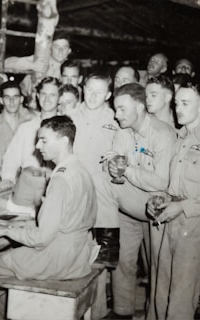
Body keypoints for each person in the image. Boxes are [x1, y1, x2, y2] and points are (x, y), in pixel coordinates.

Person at [0, 115, 99, 320]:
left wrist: (5, 230)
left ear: (64, 141)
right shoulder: (80, 170)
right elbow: (69, 219)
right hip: (78, 255)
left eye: (44, 140)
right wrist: (19, 224)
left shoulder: (60, 179)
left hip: (56, 259)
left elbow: (41, 238)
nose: (38, 145)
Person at [94, 83, 176, 319]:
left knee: (157, 269)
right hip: (130, 202)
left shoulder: (163, 133)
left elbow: (161, 182)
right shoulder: (122, 131)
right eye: (115, 109)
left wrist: (126, 169)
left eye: (121, 109)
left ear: (140, 107)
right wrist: (112, 167)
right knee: (124, 260)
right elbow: (116, 175)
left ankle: (155, 314)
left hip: (157, 205)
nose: (116, 115)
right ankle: (122, 311)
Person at [146, 80, 200, 320]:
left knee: (181, 296)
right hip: (171, 220)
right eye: (176, 103)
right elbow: (175, 184)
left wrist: (182, 206)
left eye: (185, 103)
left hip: (195, 224)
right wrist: (159, 198)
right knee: (161, 289)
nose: (177, 108)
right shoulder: (180, 137)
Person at [72, 72, 119, 268]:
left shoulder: (115, 119)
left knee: (102, 186)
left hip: (102, 182)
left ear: (108, 95)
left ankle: (108, 246)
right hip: (75, 179)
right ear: (83, 89)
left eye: (98, 92)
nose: (92, 96)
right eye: (89, 90)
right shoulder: (71, 114)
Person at [0, 77, 60, 216]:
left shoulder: (65, 127)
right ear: (38, 96)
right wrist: (7, 178)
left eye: (52, 95)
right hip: (26, 186)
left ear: (59, 98)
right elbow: (12, 156)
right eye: (43, 94)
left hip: (53, 187)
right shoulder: (27, 127)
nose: (47, 99)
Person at [5, 30, 71, 97]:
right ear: (50, 49)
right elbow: (6, 63)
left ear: (69, 51)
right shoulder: (42, 59)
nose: (60, 51)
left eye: (64, 47)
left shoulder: (71, 68)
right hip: (25, 99)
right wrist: (33, 65)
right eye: (56, 47)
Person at [0, 80, 36, 180]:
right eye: (7, 97)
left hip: (24, 182)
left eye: (15, 97)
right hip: (1, 181)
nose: (12, 101)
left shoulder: (29, 124)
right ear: (1, 100)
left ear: (21, 99)